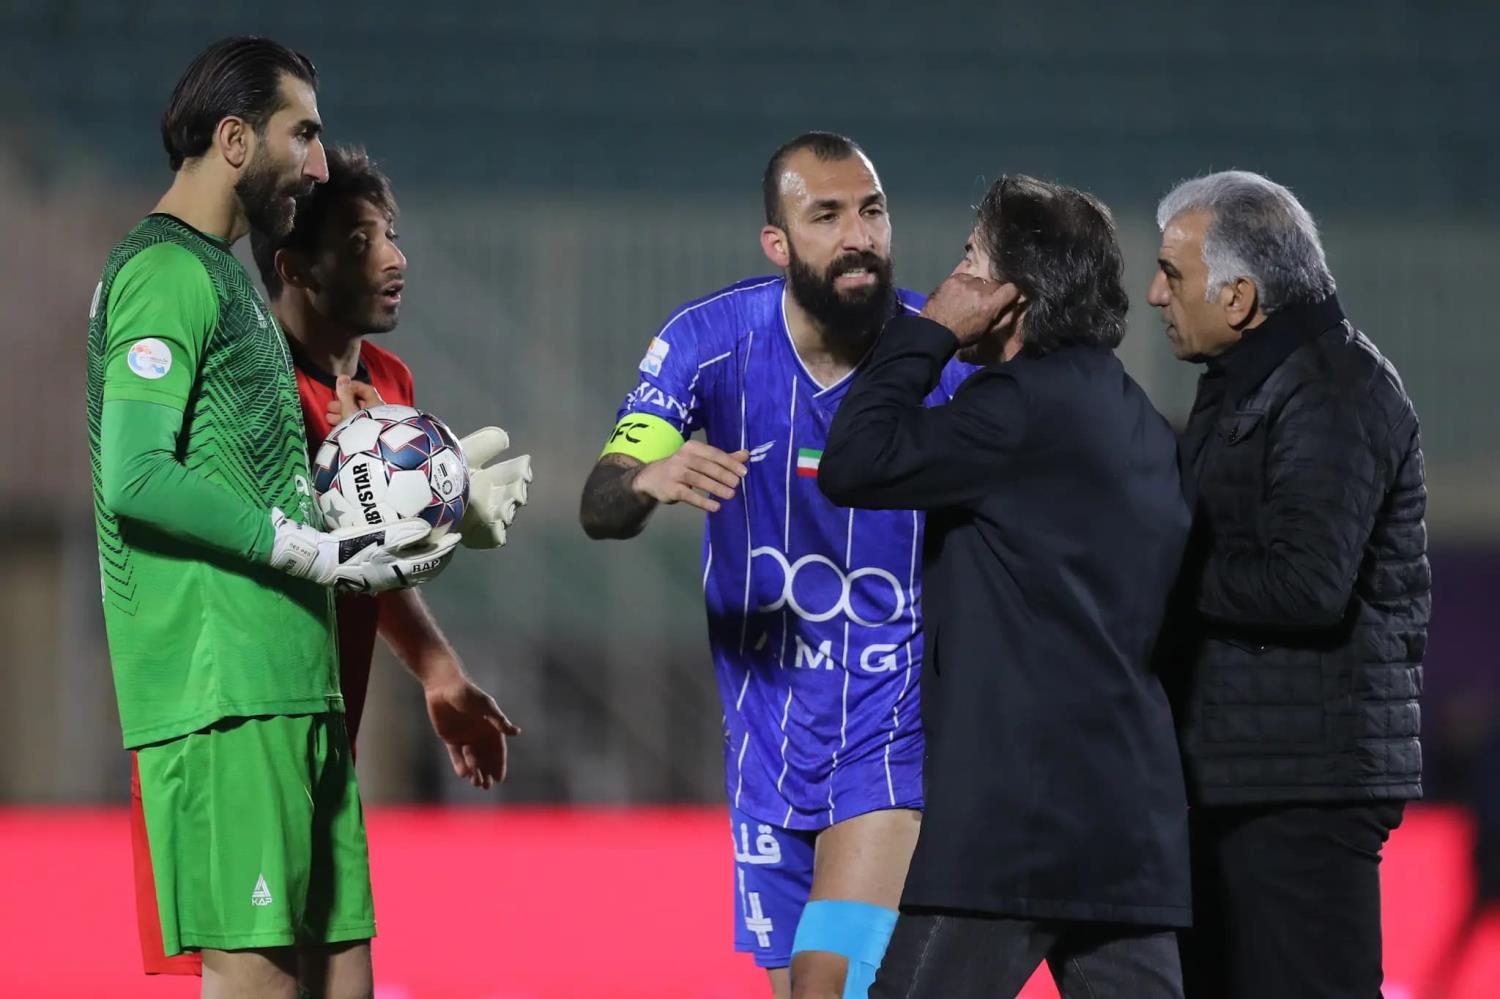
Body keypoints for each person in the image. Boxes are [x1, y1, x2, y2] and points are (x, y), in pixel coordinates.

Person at [88, 36, 463, 998]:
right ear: (234, 140)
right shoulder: (163, 274)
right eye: (303, 135)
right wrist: (302, 546)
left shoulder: (227, 285)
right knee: (257, 978)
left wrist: (396, 488)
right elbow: (135, 474)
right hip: (227, 690)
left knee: (345, 981)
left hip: (299, 685)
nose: (320, 164)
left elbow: (261, 472)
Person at [577, 132, 974, 999]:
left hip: (892, 732)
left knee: (828, 981)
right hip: (766, 747)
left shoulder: (943, 358)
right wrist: (647, 477)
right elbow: (600, 500)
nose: (858, 236)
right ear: (777, 242)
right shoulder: (707, 343)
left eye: (871, 211)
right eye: (826, 216)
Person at [821, 174, 1193, 998]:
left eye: (971, 260)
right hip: (1130, 825)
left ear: (1011, 295)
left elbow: (852, 460)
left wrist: (927, 333)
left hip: (1013, 823)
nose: (953, 277)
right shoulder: (1143, 422)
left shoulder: (1016, 407)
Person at [1148, 170, 1428, 999]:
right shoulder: (1254, 381)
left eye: (1172, 274)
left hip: (1300, 784)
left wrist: (1157, 569)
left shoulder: (1335, 388)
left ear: (1238, 297)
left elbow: (1306, 585)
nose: (1156, 295)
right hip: (1247, 770)